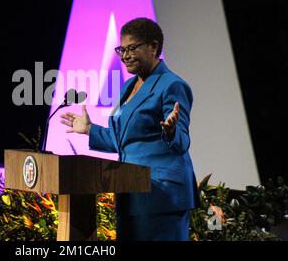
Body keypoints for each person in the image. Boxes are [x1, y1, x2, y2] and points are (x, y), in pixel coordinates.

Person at [60, 17, 199, 241]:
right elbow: (123, 141)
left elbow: (182, 141)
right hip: (130, 192)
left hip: (161, 196)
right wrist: (89, 129)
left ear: (153, 47)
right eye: (121, 49)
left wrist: (171, 132)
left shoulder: (172, 85)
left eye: (132, 48)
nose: (125, 55)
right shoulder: (128, 86)